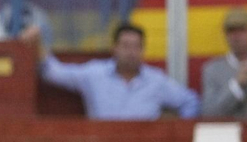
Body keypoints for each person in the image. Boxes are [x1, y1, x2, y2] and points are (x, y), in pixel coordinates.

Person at [31, 21, 201, 120]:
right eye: (125, 46)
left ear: (143, 50)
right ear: (115, 48)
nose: (131, 52)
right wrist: (37, 43)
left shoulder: (156, 81)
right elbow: (53, 73)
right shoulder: (95, 74)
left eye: (136, 47)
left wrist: (176, 130)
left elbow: (191, 102)